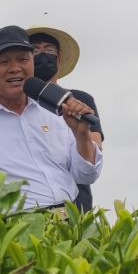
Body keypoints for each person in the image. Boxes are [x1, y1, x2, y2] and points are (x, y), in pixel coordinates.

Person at [0, 26, 101, 211]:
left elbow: (86, 176)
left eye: (23, 59)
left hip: (71, 221)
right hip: (15, 227)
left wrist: (81, 135)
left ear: (32, 62)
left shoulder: (58, 113)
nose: (15, 68)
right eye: (3, 61)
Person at [29, 27, 103, 211]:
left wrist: (81, 135)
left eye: (49, 50)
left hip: (76, 205)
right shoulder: (19, 104)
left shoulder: (79, 100)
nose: (43, 55)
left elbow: (95, 148)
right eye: (35, 51)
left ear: (59, 58)